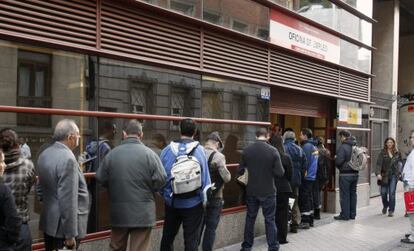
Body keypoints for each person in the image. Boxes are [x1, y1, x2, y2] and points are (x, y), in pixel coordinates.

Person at [96, 120, 166, 251]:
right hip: (143, 213)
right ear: (141, 135)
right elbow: (161, 180)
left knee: (116, 247)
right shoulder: (150, 155)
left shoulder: (112, 154)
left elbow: (101, 178)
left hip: (119, 212)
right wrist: (150, 189)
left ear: (124, 134)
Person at [37, 119, 89, 251]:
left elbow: (40, 189)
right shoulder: (68, 159)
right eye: (78, 134)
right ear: (70, 137)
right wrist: (70, 236)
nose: (79, 137)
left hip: (49, 222)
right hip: (63, 230)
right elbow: (68, 201)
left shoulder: (45, 154)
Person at [159, 118, 211, 251]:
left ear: (179, 130)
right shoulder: (200, 150)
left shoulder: (167, 150)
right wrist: (204, 201)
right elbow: (206, 181)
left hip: (172, 203)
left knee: (167, 238)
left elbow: (161, 178)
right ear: (194, 132)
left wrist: (165, 196)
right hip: (193, 204)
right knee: (191, 240)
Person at [239, 128, 284, 251]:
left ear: (256, 135)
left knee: (250, 218)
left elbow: (240, 171)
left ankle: (247, 246)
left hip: (251, 190)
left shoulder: (247, 150)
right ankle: (273, 246)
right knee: (270, 219)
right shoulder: (273, 151)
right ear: (268, 136)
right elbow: (280, 173)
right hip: (268, 190)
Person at [0, 129, 36, 251]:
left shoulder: (2, 166)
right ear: (17, 145)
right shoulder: (28, 165)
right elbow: (29, 186)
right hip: (21, 226)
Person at [201, 131, 231, 251]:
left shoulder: (198, 152)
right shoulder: (219, 156)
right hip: (215, 197)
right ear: (217, 143)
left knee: (197, 227)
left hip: (198, 196)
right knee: (210, 228)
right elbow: (227, 178)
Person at [84, 121, 116, 232]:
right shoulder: (107, 147)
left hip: (92, 183)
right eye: (113, 129)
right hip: (103, 186)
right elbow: (109, 170)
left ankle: (91, 230)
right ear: (107, 130)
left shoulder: (91, 144)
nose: (115, 132)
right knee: (103, 213)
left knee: (94, 209)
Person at [283, 130, 307, 233]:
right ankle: (295, 224)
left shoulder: (283, 148)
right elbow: (305, 165)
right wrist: (300, 176)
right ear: (294, 138)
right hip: (296, 181)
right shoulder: (300, 149)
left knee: (285, 202)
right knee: (294, 202)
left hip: (285, 180)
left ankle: (284, 223)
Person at [271, 135, 292, 244]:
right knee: (283, 214)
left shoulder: (269, 156)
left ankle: (272, 237)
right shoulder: (286, 157)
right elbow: (289, 175)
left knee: (271, 214)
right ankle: (282, 238)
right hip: (284, 188)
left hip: (271, 188)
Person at [0, 148, 22, 251]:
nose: (4, 165)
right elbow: (13, 219)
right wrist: (11, 240)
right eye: (1, 161)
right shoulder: (3, 190)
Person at [334, 130, 358, 221]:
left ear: (343, 136)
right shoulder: (355, 146)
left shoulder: (343, 147)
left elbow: (339, 161)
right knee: (353, 194)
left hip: (345, 175)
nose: (340, 139)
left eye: (340, 137)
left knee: (345, 195)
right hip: (355, 174)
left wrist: (336, 160)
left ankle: (345, 215)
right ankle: (352, 214)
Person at [375, 137, 402, 217]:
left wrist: (399, 172)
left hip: (394, 175)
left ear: (393, 143)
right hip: (384, 175)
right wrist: (378, 173)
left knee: (392, 193)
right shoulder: (382, 153)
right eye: (388, 142)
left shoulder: (397, 152)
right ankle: (385, 205)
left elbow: (400, 163)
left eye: (391, 142)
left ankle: (391, 210)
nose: (389, 144)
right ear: (386, 144)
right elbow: (378, 164)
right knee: (383, 193)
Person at [299, 128, 318, 228]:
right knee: (309, 198)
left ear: (305, 136)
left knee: (304, 199)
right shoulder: (314, 146)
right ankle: (310, 219)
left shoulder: (306, 147)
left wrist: (301, 175)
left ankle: (305, 221)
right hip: (312, 176)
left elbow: (304, 163)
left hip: (306, 177)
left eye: (301, 134)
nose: (300, 136)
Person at [401, 130, 414, 244]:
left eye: (413, 137)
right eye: (411, 137)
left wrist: (411, 186)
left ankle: (413, 237)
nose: (411, 139)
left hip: (411, 187)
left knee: (412, 213)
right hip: (409, 186)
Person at [314, 136, 331, 220]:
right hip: (324, 176)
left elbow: (316, 164)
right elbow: (328, 166)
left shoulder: (316, 151)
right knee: (318, 192)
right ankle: (318, 210)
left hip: (316, 175)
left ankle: (316, 212)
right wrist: (327, 177)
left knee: (315, 193)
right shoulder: (327, 151)